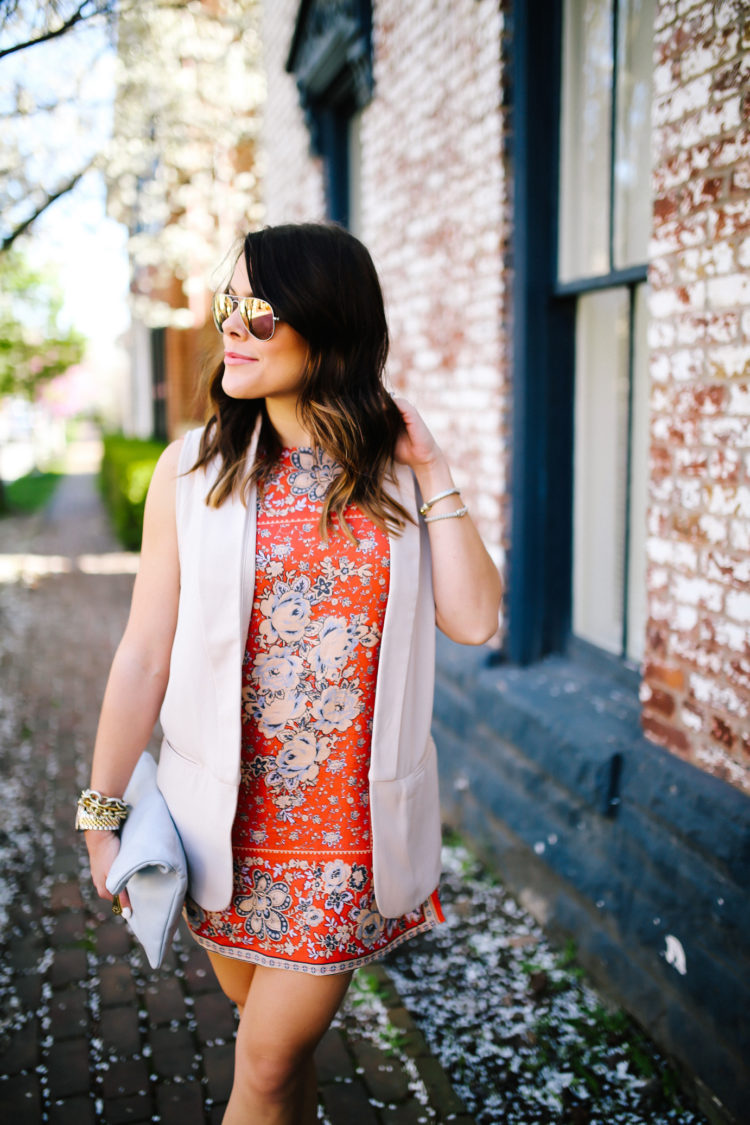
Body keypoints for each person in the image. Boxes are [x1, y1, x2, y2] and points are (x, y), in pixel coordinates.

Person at [81, 222, 502, 1124]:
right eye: (228, 305)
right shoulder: (191, 472)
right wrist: (101, 810)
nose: (232, 327)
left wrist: (436, 467)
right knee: (280, 1055)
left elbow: (473, 618)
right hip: (220, 833)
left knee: (263, 1067)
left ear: (327, 326)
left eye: (258, 313)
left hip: (349, 837)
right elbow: (143, 651)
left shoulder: (395, 475)